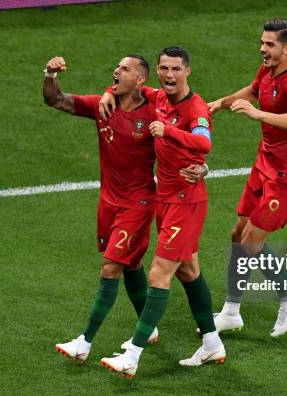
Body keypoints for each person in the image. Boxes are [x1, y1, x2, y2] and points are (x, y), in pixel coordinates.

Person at [43, 54, 207, 363]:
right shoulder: (103, 104)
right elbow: (56, 100)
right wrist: (50, 75)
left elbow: (185, 124)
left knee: (111, 268)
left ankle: (84, 343)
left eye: (124, 69)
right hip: (108, 202)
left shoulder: (157, 107)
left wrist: (201, 167)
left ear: (141, 80)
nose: (116, 71)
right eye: (116, 67)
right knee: (131, 265)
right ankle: (154, 327)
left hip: (139, 203)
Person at [98, 47, 226, 378]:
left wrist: (168, 132)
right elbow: (129, 85)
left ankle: (134, 355)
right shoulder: (158, 97)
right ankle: (212, 344)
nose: (169, 75)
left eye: (176, 70)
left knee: (159, 273)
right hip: (165, 199)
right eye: (164, 69)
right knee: (188, 271)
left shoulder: (195, 109)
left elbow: (204, 144)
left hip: (187, 202)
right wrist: (107, 94)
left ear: (188, 72)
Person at [207, 19, 287, 337]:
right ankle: (230, 312)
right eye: (262, 43)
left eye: (269, 45)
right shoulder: (267, 70)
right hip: (264, 164)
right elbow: (253, 91)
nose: (263, 49)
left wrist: (257, 114)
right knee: (238, 233)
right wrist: (221, 103)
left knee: (252, 242)